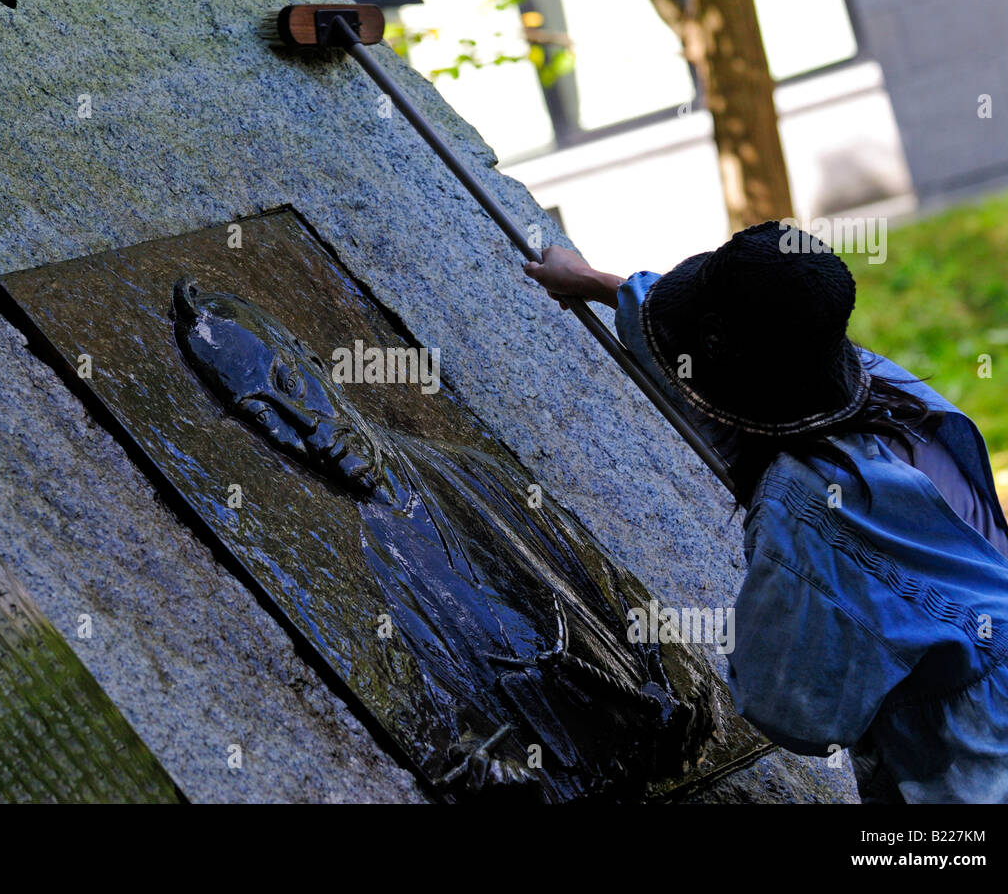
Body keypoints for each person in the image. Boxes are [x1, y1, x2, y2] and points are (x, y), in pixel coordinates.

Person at [523, 220, 1008, 803]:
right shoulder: (886, 390)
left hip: (996, 759)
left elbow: (795, 710)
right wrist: (595, 283)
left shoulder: (804, 509)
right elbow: (715, 352)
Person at [171, 275, 723, 800]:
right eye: (263, 412)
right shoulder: (365, 572)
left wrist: (678, 686)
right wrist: (483, 763)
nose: (308, 428)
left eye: (291, 385)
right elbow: (434, 710)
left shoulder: (480, 477)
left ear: (313, 360)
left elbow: (616, 596)